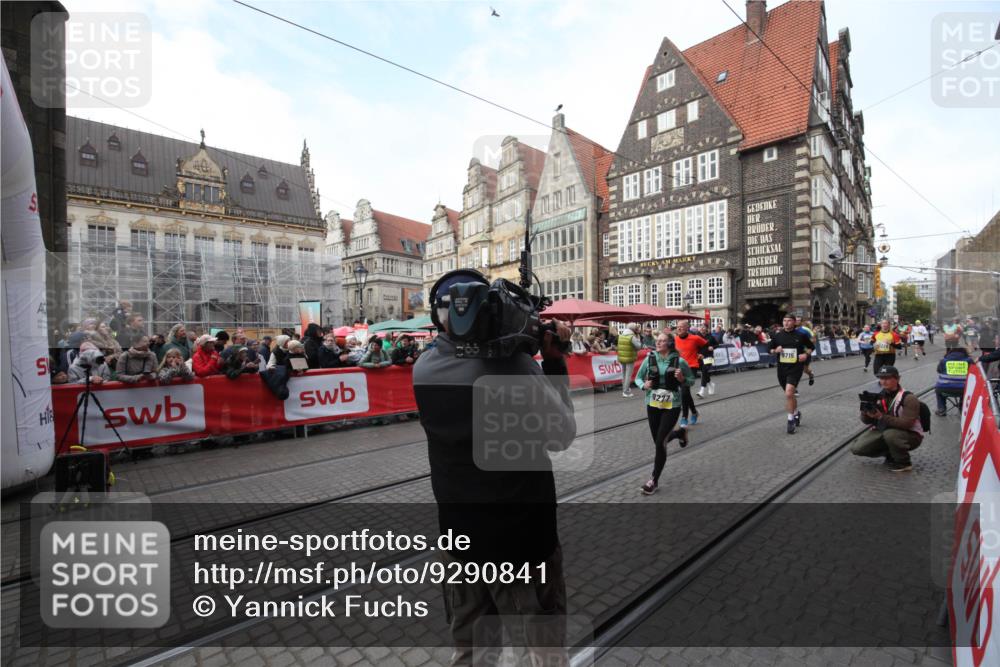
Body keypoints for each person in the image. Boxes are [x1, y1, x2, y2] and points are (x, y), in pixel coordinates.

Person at [412, 269, 576, 666]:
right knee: (542, 649)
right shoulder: (519, 369)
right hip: (522, 541)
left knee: (472, 650)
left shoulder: (424, 368)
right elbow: (562, 435)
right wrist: (553, 358)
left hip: (460, 538)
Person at [635, 333, 694, 495]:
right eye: (657, 340)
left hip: (672, 405)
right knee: (658, 441)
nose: (658, 342)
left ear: (670, 343)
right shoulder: (649, 359)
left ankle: (653, 480)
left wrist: (682, 379)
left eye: (662, 340)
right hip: (652, 403)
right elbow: (638, 378)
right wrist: (644, 385)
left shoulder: (680, 362)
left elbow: (691, 380)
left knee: (660, 442)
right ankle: (680, 433)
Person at [851, 366, 924, 472]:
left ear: (898, 379)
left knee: (891, 435)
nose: (883, 382)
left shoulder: (909, 398)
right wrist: (866, 411)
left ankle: (903, 463)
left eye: (887, 378)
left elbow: (907, 424)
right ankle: (891, 453)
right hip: (884, 429)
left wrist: (881, 416)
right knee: (857, 448)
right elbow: (866, 421)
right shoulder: (877, 395)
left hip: (910, 434)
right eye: (881, 378)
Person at [768, 313, 815, 434]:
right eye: (784, 321)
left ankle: (790, 420)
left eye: (789, 321)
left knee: (789, 393)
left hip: (796, 368)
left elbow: (811, 347)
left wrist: (806, 354)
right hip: (782, 369)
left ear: (794, 322)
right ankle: (796, 413)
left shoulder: (801, 335)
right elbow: (769, 349)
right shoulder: (778, 335)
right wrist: (775, 350)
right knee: (790, 395)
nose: (786, 323)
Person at [672, 320, 706, 426]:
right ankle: (694, 412)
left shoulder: (695, 338)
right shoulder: (674, 339)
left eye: (681, 326)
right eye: (678, 326)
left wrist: (701, 353)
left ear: (687, 328)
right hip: (679, 368)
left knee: (684, 392)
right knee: (685, 393)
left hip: (691, 367)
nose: (679, 328)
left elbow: (706, 345)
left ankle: (684, 417)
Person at [934, 347, 971, 415]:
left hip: (944, 389)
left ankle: (941, 409)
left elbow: (939, 370)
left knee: (938, 390)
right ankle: (962, 407)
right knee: (967, 389)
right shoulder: (969, 360)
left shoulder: (943, 361)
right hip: (963, 390)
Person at [616, 325, 640, 398]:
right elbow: (638, 346)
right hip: (629, 357)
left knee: (624, 374)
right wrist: (638, 339)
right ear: (633, 329)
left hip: (621, 357)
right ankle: (626, 391)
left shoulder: (621, 336)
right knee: (628, 375)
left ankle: (624, 389)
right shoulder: (632, 337)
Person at [795, 317, 817, 387]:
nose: (796, 321)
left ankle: (811, 374)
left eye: (798, 320)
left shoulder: (806, 329)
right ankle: (793, 386)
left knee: (805, 369)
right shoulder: (792, 330)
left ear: (801, 322)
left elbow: (814, 339)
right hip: (795, 352)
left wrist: (807, 346)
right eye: (795, 320)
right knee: (795, 369)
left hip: (805, 352)